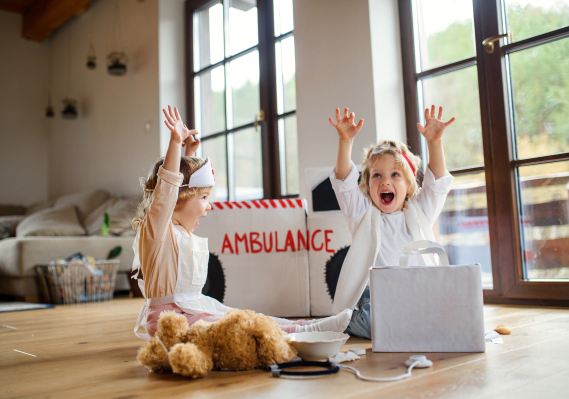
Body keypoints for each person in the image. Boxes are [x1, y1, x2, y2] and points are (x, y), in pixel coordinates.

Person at [132, 105, 352, 339]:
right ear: (177, 199)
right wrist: (176, 143)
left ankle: (304, 327)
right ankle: (299, 334)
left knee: (248, 317)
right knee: (239, 330)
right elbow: (167, 190)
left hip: (192, 309)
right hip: (171, 321)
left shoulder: (178, 231)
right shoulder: (158, 229)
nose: (208, 206)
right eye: (203, 198)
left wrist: (189, 151)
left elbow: (177, 187)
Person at [328, 105, 456, 339]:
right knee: (373, 322)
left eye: (395, 175)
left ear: (408, 185)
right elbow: (344, 182)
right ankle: (346, 320)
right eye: (377, 175)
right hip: (374, 296)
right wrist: (345, 141)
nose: (385, 181)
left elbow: (437, 183)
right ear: (367, 185)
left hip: (414, 292)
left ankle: (405, 322)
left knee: (443, 315)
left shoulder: (420, 209)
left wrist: (434, 143)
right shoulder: (362, 212)